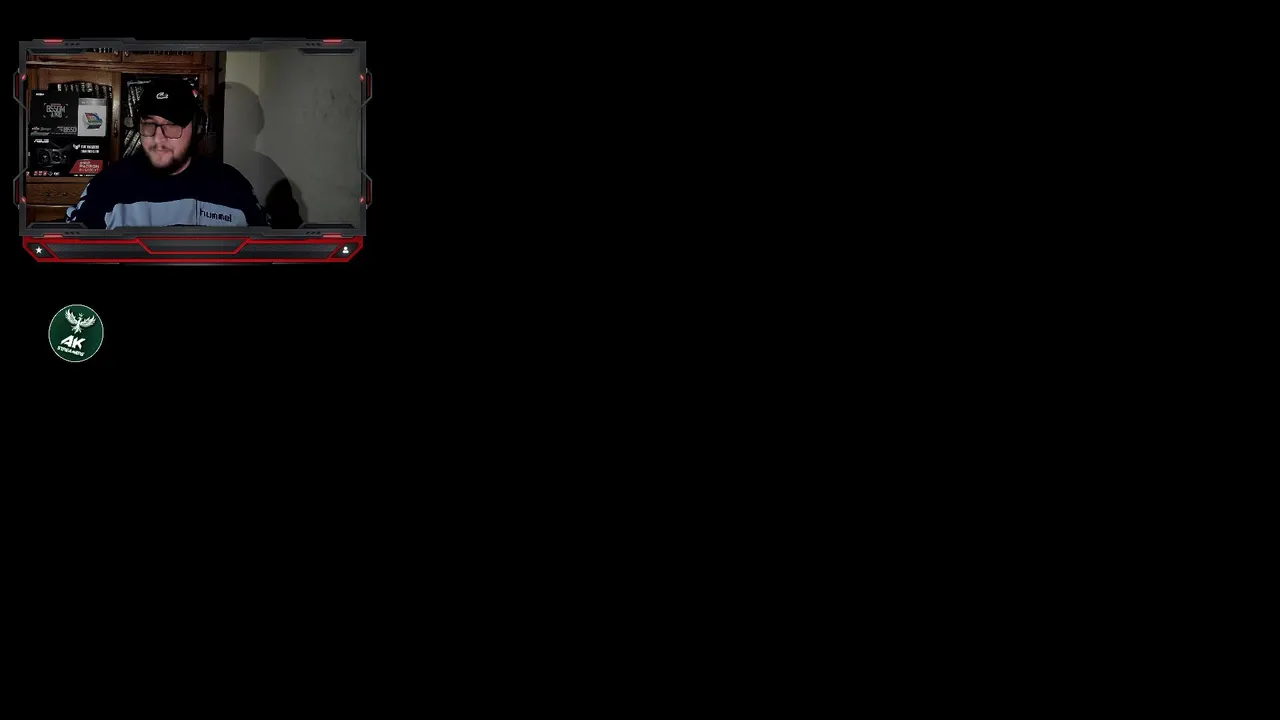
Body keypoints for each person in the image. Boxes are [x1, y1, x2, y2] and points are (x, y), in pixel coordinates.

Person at [66, 77, 266, 229]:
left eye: (172, 125)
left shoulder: (232, 186)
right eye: (149, 124)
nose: (158, 139)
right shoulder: (107, 186)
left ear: (198, 128)